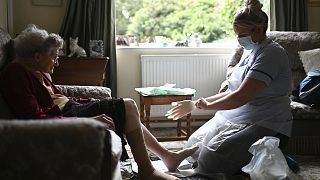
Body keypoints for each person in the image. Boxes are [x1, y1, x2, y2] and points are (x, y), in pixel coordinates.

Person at [0, 24, 198, 180]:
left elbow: (60, 98)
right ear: (36, 56)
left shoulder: (37, 70)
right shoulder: (16, 74)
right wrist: (87, 122)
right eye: (54, 57)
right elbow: (35, 118)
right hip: (64, 117)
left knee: (127, 108)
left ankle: (167, 157)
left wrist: (90, 101)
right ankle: (147, 171)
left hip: (69, 109)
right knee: (128, 104)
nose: (57, 62)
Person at [166, 0, 293, 177]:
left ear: (258, 30)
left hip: (267, 121)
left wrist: (203, 106)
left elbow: (240, 97)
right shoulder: (251, 50)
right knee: (193, 148)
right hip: (241, 115)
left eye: (241, 34)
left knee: (211, 160)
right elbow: (231, 91)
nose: (239, 39)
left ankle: (274, 155)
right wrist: (196, 103)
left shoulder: (271, 53)